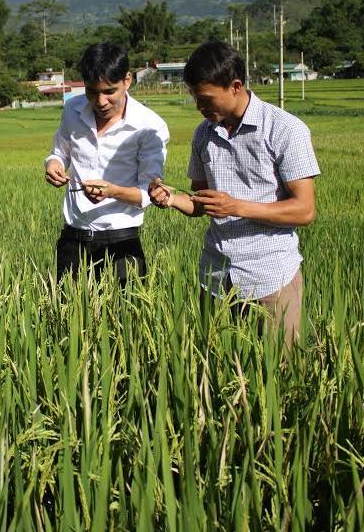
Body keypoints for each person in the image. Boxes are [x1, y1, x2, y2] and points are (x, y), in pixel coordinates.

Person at [148, 41, 319, 344]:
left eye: (206, 99)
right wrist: (171, 198)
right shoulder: (204, 134)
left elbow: (304, 210)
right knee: (213, 366)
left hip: (270, 278)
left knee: (276, 374)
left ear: (235, 86)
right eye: (195, 99)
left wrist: (236, 207)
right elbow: (201, 203)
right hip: (215, 277)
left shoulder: (285, 130)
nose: (200, 107)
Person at [44, 42, 169, 286]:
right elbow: (59, 152)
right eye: (92, 92)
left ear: (127, 81)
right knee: (66, 319)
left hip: (121, 245)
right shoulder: (72, 110)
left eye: (110, 91)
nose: (100, 101)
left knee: (124, 321)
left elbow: (149, 193)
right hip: (73, 241)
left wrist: (112, 191)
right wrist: (53, 165)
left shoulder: (150, 126)